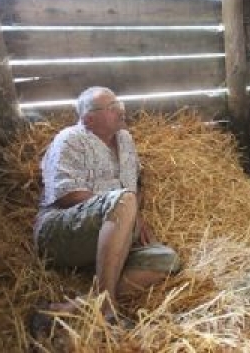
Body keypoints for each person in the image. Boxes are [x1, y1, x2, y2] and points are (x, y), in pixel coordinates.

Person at [33, 86, 180, 325]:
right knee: (124, 199)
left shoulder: (125, 139)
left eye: (119, 104)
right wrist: (122, 206)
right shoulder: (70, 139)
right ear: (89, 118)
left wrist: (131, 212)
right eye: (112, 108)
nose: (121, 110)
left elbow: (134, 186)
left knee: (167, 259)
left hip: (114, 230)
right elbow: (65, 194)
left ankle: (78, 305)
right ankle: (108, 310)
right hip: (62, 231)